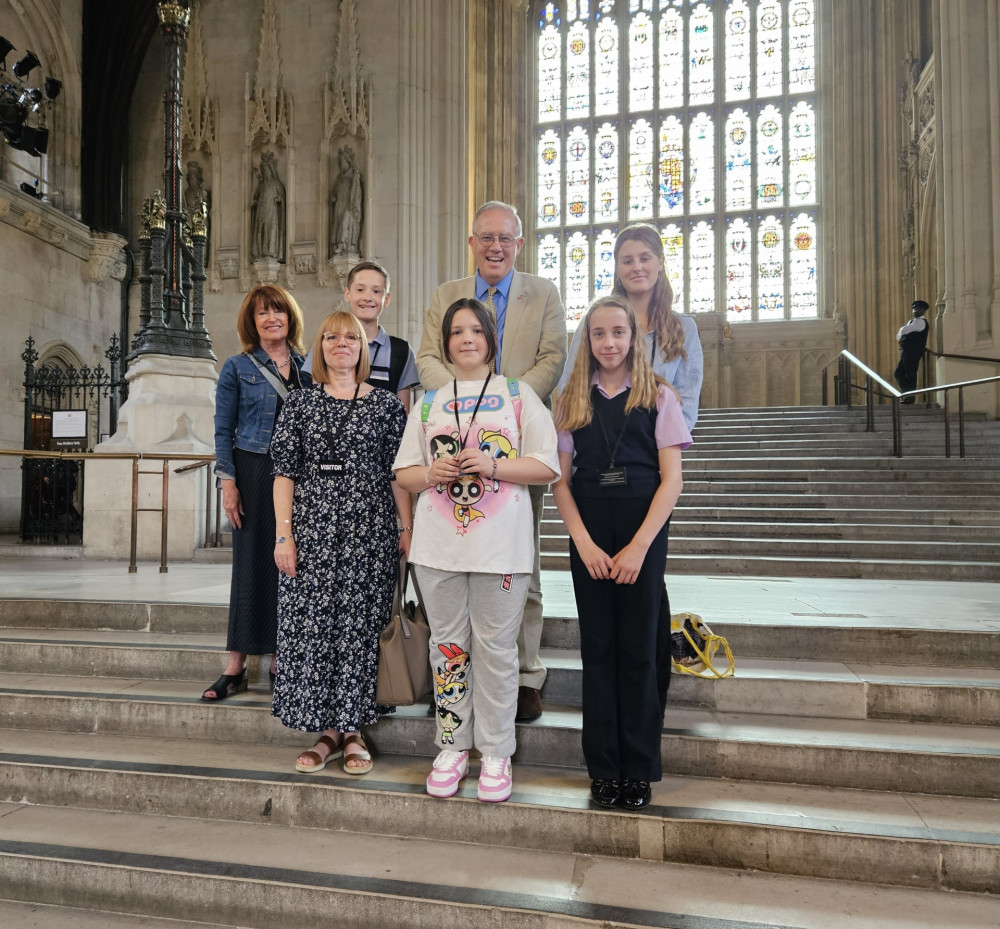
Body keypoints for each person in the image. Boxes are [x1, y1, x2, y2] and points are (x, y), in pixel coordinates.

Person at [395, 299, 559, 802]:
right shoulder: (429, 402)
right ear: (445, 342)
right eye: (456, 331)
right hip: (438, 548)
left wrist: (492, 466)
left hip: (500, 549)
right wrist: (430, 475)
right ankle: (451, 745)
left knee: (495, 651)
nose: (466, 339)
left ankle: (495, 752)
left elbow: (546, 466)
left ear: (491, 338)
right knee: (447, 648)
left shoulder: (518, 396)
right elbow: (403, 473)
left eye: (476, 330)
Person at [417, 201, 567, 722]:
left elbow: (553, 356)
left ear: (519, 244)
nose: (496, 246)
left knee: (521, 561)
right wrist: (463, 406)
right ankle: (458, 677)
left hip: (517, 449)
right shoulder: (445, 296)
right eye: (486, 237)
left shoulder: (543, 293)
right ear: (472, 241)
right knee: (454, 559)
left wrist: (507, 400)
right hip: (452, 447)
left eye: (506, 238)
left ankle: (525, 673)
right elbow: (428, 358)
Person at [559, 222, 703, 718]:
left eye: (645, 258)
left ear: (660, 264)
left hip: (650, 466)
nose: (636, 267)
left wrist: (650, 425)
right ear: (617, 268)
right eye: (626, 259)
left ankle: (648, 704)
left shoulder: (681, 329)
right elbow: (573, 392)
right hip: (598, 472)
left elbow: (685, 404)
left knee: (647, 591)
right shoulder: (595, 324)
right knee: (621, 609)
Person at [552, 295, 690, 810]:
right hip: (589, 531)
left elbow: (672, 480)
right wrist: (584, 542)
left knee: (637, 650)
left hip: (642, 529)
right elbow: (561, 484)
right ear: (586, 342)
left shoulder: (659, 397)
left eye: (618, 333)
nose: (609, 343)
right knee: (600, 649)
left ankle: (638, 765)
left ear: (634, 337)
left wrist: (638, 547)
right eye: (598, 334)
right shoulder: (570, 399)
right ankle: (604, 767)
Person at [270, 309, 411, 775]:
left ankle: (352, 730)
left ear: (364, 347)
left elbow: (398, 477)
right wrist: (283, 534)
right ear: (320, 346)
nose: (342, 343)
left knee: (358, 627)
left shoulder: (387, 406)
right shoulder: (300, 404)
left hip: (368, 535)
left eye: (351, 337)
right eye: (331, 336)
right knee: (314, 627)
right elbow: (284, 473)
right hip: (311, 535)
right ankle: (326, 730)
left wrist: (405, 530)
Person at [204, 284, 310, 702]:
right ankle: (235, 666)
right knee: (248, 564)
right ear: (252, 321)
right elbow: (222, 428)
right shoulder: (237, 366)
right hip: (251, 468)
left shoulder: (306, 367)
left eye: (278, 311)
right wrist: (227, 482)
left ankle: (282, 660)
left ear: (290, 318)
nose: (271, 319)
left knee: (288, 564)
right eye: (263, 313)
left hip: (297, 476)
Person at [303, 261, 420, 411]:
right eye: (360, 289)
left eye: (376, 291)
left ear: (387, 298)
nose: (367, 297)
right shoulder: (328, 343)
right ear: (347, 294)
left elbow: (402, 415)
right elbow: (314, 400)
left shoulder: (400, 351)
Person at [250, 151, 285, 262]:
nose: (265, 173)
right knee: (262, 230)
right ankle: (261, 252)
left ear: (270, 170)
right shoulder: (261, 185)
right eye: (263, 171)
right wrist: (254, 203)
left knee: (272, 229)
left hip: (272, 211)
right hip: (262, 210)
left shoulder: (276, 183)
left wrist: (280, 200)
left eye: (266, 170)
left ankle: (272, 251)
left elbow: (282, 196)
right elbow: (255, 197)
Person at [894, 300, 930, 403]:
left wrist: (901, 330)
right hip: (906, 352)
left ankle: (910, 397)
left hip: (913, 352)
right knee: (898, 373)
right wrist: (902, 332)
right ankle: (907, 393)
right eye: (914, 308)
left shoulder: (921, 322)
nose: (915, 310)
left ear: (923, 310)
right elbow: (900, 335)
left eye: (918, 308)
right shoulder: (912, 322)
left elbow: (904, 331)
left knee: (910, 374)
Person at [330, 146, 363, 256]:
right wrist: (333, 197)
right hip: (339, 205)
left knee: (345, 223)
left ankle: (344, 244)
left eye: (343, 161)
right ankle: (339, 244)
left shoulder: (353, 176)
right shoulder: (339, 178)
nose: (341, 164)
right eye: (340, 162)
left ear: (348, 161)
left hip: (349, 206)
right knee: (339, 224)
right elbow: (334, 191)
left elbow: (356, 193)